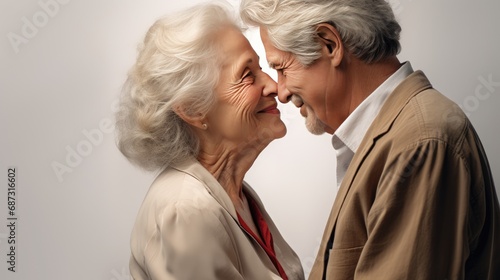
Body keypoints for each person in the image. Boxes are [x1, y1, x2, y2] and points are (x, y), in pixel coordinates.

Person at [240, 0, 500, 279]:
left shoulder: (419, 143)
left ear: (329, 44)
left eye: (282, 68)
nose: (280, 92)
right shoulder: (397, 136)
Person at [115, 2, 305, 279]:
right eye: (247, 75)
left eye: (261, 68)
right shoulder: (186, 212)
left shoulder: (232, 195)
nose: (274, 86)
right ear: (193, 109)